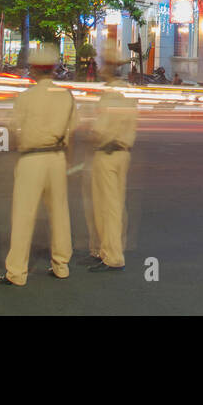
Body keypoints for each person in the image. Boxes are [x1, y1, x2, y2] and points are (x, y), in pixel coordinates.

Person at [0, 45, 77, 285]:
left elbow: (12, 131)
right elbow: (72, 132)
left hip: (31, 158)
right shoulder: (66, 96)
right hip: (56, 158)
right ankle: (61, 265)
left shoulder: (25, 97)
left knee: (23, 214)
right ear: (54, 69)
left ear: (33, 69)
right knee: (60, 213)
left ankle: (17, 272)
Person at [85, 90, 138, 272]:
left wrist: (90, 138)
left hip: (106, 155)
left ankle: (112, 256)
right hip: (123, 155)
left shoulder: (108, 104)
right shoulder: (129, 105)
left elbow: (97, 133)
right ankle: (109, 252)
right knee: (115, 205)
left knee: (106, 207)